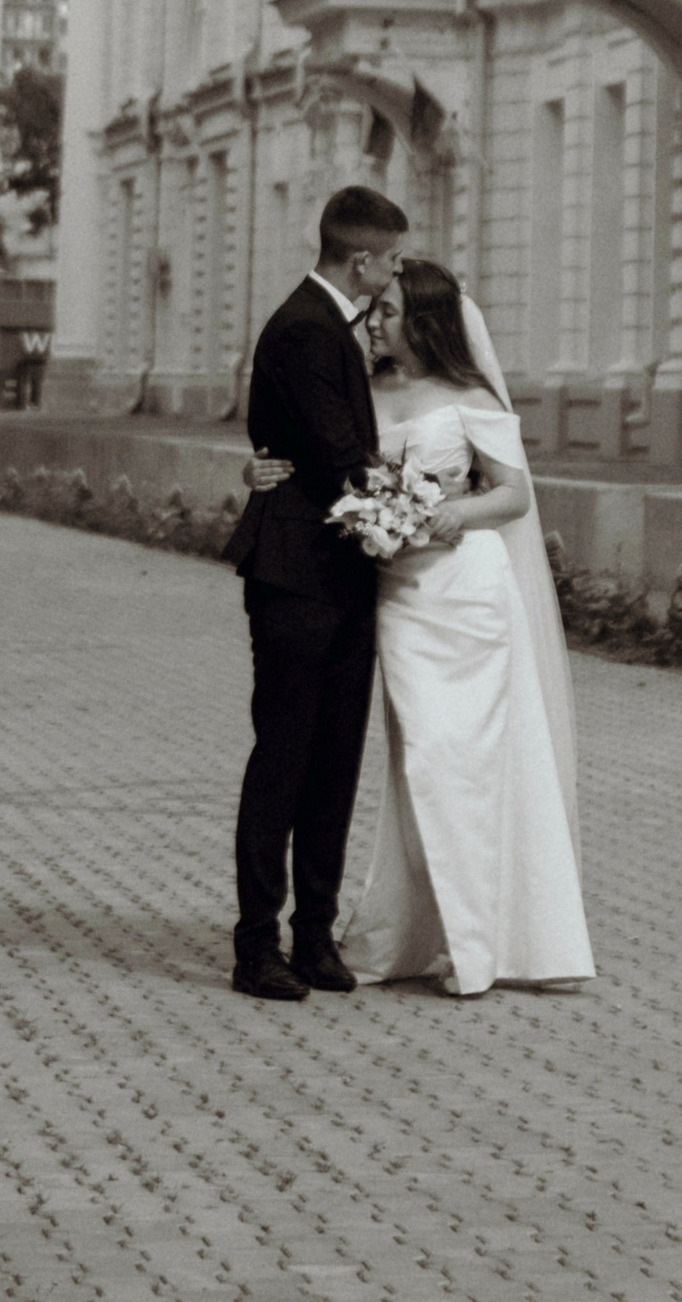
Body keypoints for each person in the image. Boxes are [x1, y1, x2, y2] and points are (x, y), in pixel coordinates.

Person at [244, 255, 594, 999]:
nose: (375, 320)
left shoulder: (471, 396)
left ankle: (483, 939)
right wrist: (259, 469)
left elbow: (513, 495)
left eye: (390, 311)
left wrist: (447, 514)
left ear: (426, 323)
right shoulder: (364, 389)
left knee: (465, 761)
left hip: (464, 590)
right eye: (376, 309)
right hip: (397, 596)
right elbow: (321, 454)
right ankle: (415, 929)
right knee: (420, 765)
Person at [222, 183, 408, 1002]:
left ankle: (315, 936)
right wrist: (426, 510)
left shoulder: (334, 325)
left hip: (343, 572)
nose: (395, 271)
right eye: (391, 258)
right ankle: (255, 945)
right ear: (360, 259)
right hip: (296, 575)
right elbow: (340, 457)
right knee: (285, 758)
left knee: (335, 762)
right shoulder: (304, 327)